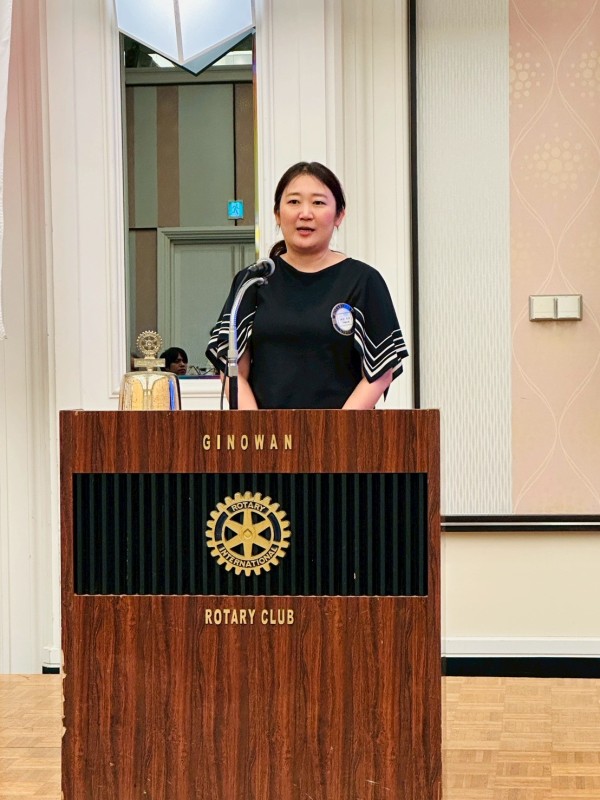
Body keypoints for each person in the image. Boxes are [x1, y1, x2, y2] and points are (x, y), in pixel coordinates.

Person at [205, 161, 408, 409]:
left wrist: (337, 429)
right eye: (294, 202)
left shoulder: (363, 281)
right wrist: (257, 428)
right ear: (277, 214)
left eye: (318, 203)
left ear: (339, 215)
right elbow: (233, 371)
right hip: (265, 432)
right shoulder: (253, 281)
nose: (305, 213)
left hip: (344, 430)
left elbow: (381, 372)